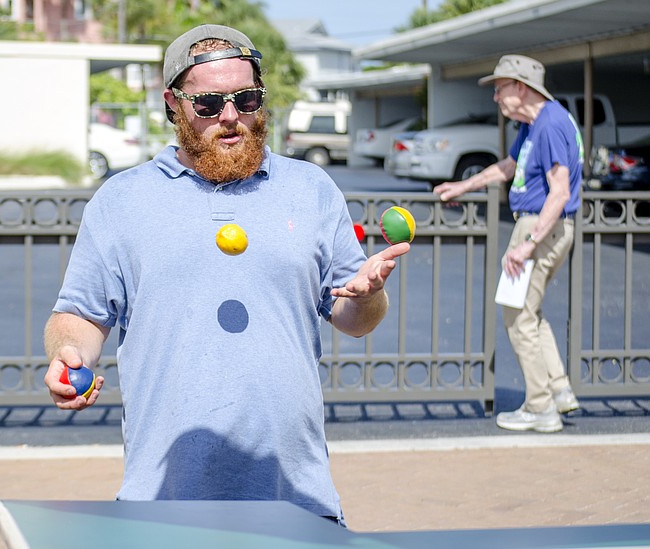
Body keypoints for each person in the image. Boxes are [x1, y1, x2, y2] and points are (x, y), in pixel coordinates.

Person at [43, 24, 409, 525]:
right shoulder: (121, 202)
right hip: (165, 498)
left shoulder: (312, 190)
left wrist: (367, 295)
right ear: (173, 104)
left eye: (247, 98)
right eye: (209, 104)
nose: (232, 116)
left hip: (297, 496)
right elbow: (80, 315)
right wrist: (68, 354)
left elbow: (356, 320)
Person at [433, 54, 581, 433]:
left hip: (540, 226)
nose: (496, 97)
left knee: (517, 318)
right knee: (529, 313)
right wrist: (463, 186)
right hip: (542, 226)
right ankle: (559, 390)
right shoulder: (535, 124)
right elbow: (508, 167)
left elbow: (560, 192)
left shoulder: (550, 124)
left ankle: (540, 408)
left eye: (500, 89)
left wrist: (528, 243)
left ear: (521, 87)